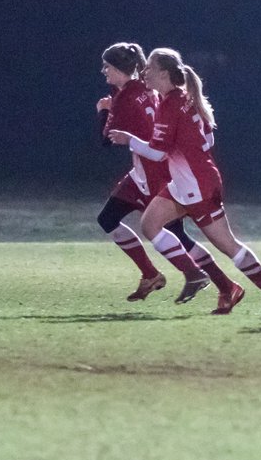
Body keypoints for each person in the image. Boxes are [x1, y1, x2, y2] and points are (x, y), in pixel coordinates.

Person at [108, 48, 261, 318]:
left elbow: (158, 153)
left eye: (150, 68)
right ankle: (195, 274)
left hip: (197, 186)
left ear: (164, 73)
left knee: (228, 245)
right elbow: (207, 140)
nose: (144, 72)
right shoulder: (184, 98)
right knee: (150, 223)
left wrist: (129, 139)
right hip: (186, 183)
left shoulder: (170, 105)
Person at [95, 43, 233, 303]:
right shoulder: (143, 88)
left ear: (119, 69)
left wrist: (103, 112)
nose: (104, 71)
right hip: (143, 171)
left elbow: (107, 140)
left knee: (177, 234)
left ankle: (220, 283)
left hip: (154, 172)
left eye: (107, 66)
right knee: (108, 218)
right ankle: (151, 274)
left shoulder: (125, 99)